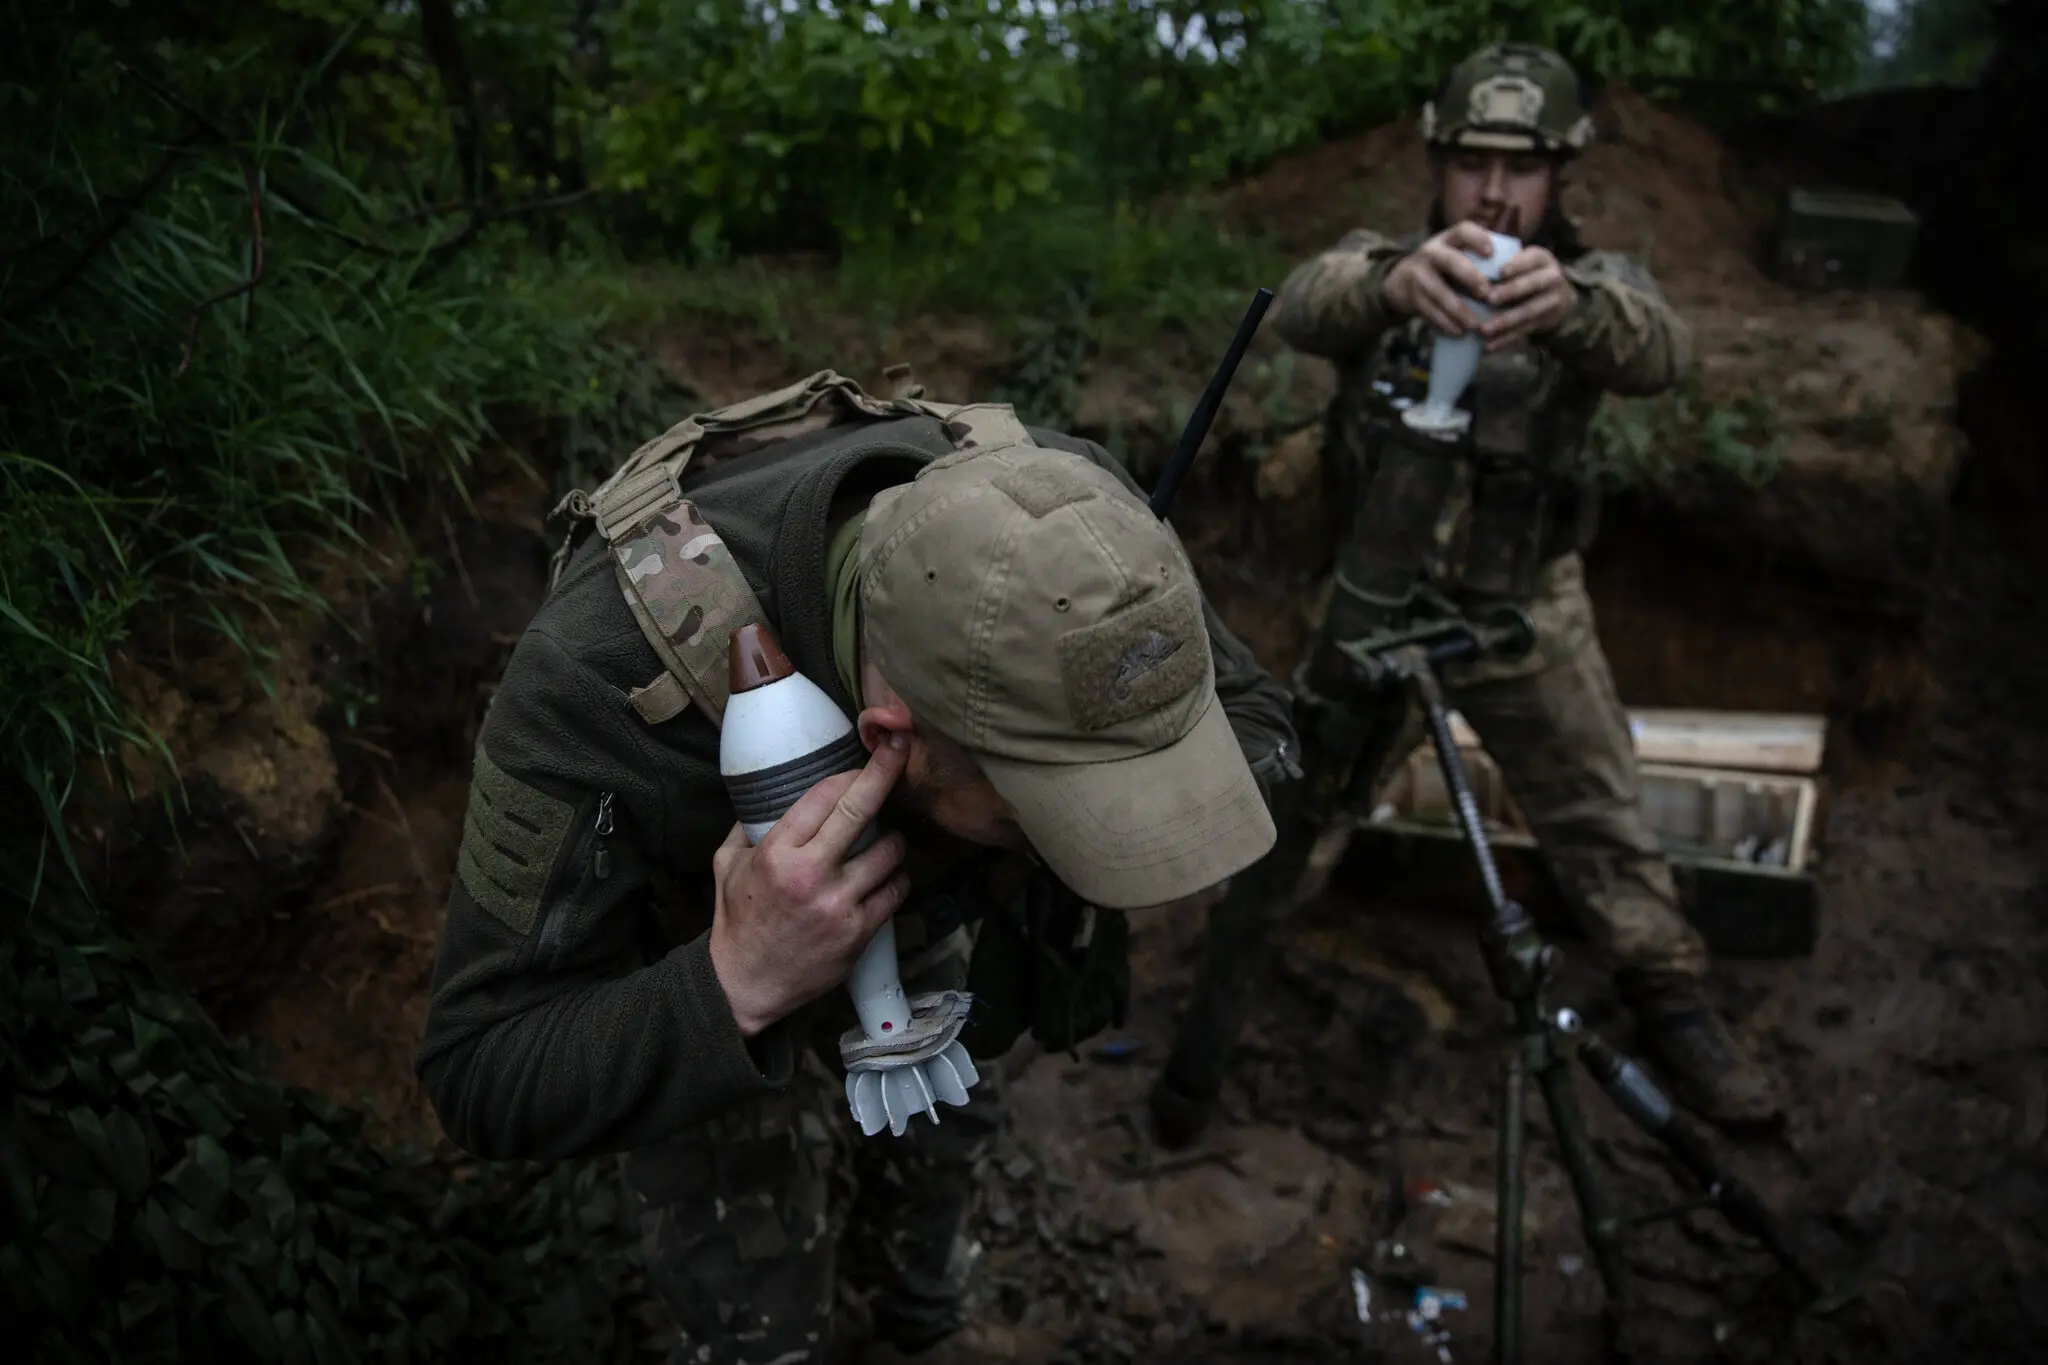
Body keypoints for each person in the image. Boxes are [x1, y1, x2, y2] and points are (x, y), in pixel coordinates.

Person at [414, 371, 1298, 1364]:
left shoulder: (1075, 535)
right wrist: (734, 983)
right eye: (1041, 812)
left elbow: (1256, 722)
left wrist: (1108, 803)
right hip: (699, 958)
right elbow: (479, 1066)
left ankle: (920, 1316)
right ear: (893, 740)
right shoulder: (593, 676)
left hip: (925, 926)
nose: (1076, 841)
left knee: (945, 1145)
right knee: (764, 1311)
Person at [1149, 42, 1778, 1145]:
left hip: (1522, 607)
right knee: (1293, 828)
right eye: (1474, 162)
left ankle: (1676, 1008)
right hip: (1372, 610)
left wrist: (1568, 305)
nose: (1495, 192)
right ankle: (1198, 1046)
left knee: (1601, 819)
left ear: (1559, 179)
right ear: (1436, 164)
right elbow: (1305, 300)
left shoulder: (1589, 288)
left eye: (1522, 167)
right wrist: (1392, 282)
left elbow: (1658, 347)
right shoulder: (1385, 265)